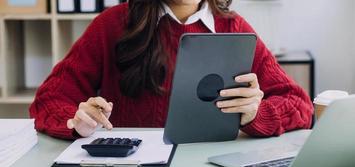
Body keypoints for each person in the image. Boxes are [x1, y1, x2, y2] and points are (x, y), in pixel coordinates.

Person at [29, 0, 313, 140]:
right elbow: (49, 100)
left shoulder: (233, 27)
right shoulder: (112, 24)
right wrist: (76, 121)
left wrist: (255, 114)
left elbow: (299, 104)